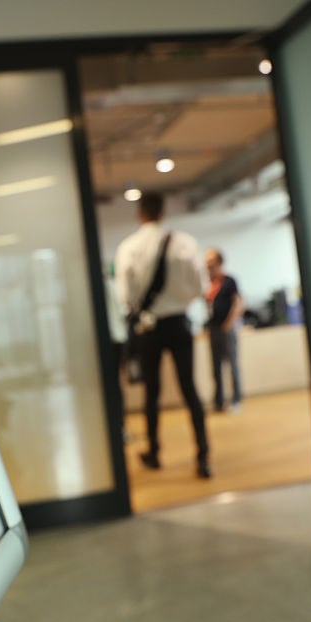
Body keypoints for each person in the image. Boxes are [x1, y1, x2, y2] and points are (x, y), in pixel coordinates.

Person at [115, 191, 211, 478]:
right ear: (163, 212)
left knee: (152, 392)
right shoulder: (184, 244)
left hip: (150, 328)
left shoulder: (130, 247)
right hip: (180, 324)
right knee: (189, 389)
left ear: (140, 214)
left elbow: (125, 296)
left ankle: (154, 452)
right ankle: (203, 455)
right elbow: (201, 287)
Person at [205, 247, 244, 412]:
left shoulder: (229, 281)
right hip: (213, 328)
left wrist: (229, 323)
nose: (207, 264)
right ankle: (219, 401)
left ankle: (236, 399)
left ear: (219, 262)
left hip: (227, 327)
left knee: (232, 364)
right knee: (216, 366)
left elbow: (238, 303)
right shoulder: (209, 284)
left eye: (211, 261)